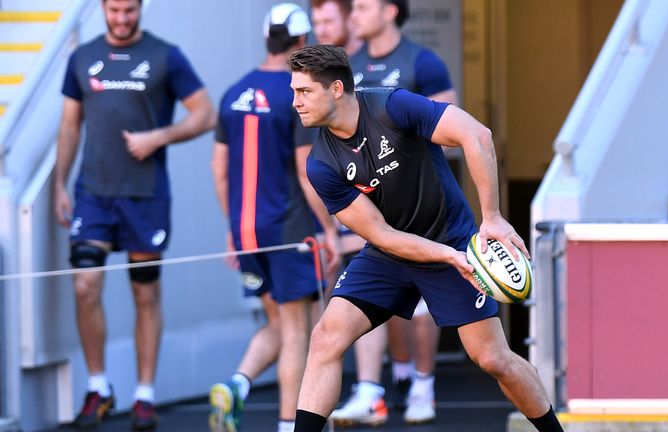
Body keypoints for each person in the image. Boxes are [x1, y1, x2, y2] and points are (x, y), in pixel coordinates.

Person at [287, 45, 564, 432]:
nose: (295, 102)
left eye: (304, 92)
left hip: (452, 238)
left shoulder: (392, 107)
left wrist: (493, 219)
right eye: (294, 91)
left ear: (336, 88)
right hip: (389, 254)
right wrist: (446, 257)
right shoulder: (321, 164)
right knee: (326, 337)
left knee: (492, 358)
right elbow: (381, 233)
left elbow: (476, 135)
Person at [53, 0, 215, 430]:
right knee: (86, 284)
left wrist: (159, 136)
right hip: (93, 193)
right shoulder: (82, 57)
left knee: (145, 293)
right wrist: (58, 184)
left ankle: (144, 394)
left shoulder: (166, 55)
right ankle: (99, 387)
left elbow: (205, 114)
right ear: (103, 8)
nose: (122, 19)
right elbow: (70, 125)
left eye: (129, 10)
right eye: (114, 10)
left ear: (140, 8)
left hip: (145, 196)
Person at [207, 4, 340, 432]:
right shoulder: (296, 94)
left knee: (280, 324)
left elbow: (219, 168)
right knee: (298, 333)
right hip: (289, 229)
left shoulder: (233, 92)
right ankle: (288, 425)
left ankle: (238, 384)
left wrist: (233, 231)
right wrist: (329, 228)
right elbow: (306, 171)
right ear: (302, 43)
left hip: (247, 231)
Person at [329, 0, 457, 425]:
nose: (354, 15)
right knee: (386, 302)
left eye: (363, 6)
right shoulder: (349, 66)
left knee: (423, 307)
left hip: (424, 206)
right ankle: (396, 377)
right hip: (374, 210)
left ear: (390, 10)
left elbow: (452, 131)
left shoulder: (423, 62)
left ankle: (424, 385)